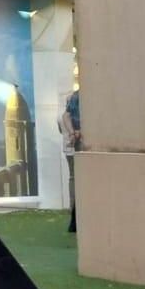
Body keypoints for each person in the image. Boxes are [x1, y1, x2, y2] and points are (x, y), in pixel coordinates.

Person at [61, 87, 82, 233]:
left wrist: (72, 133)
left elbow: (66, 116)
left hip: (74, 145)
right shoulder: (80, 97)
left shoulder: (75, 97)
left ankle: (74, 219)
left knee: (75, 180)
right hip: (80, 145)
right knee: (78, 181)